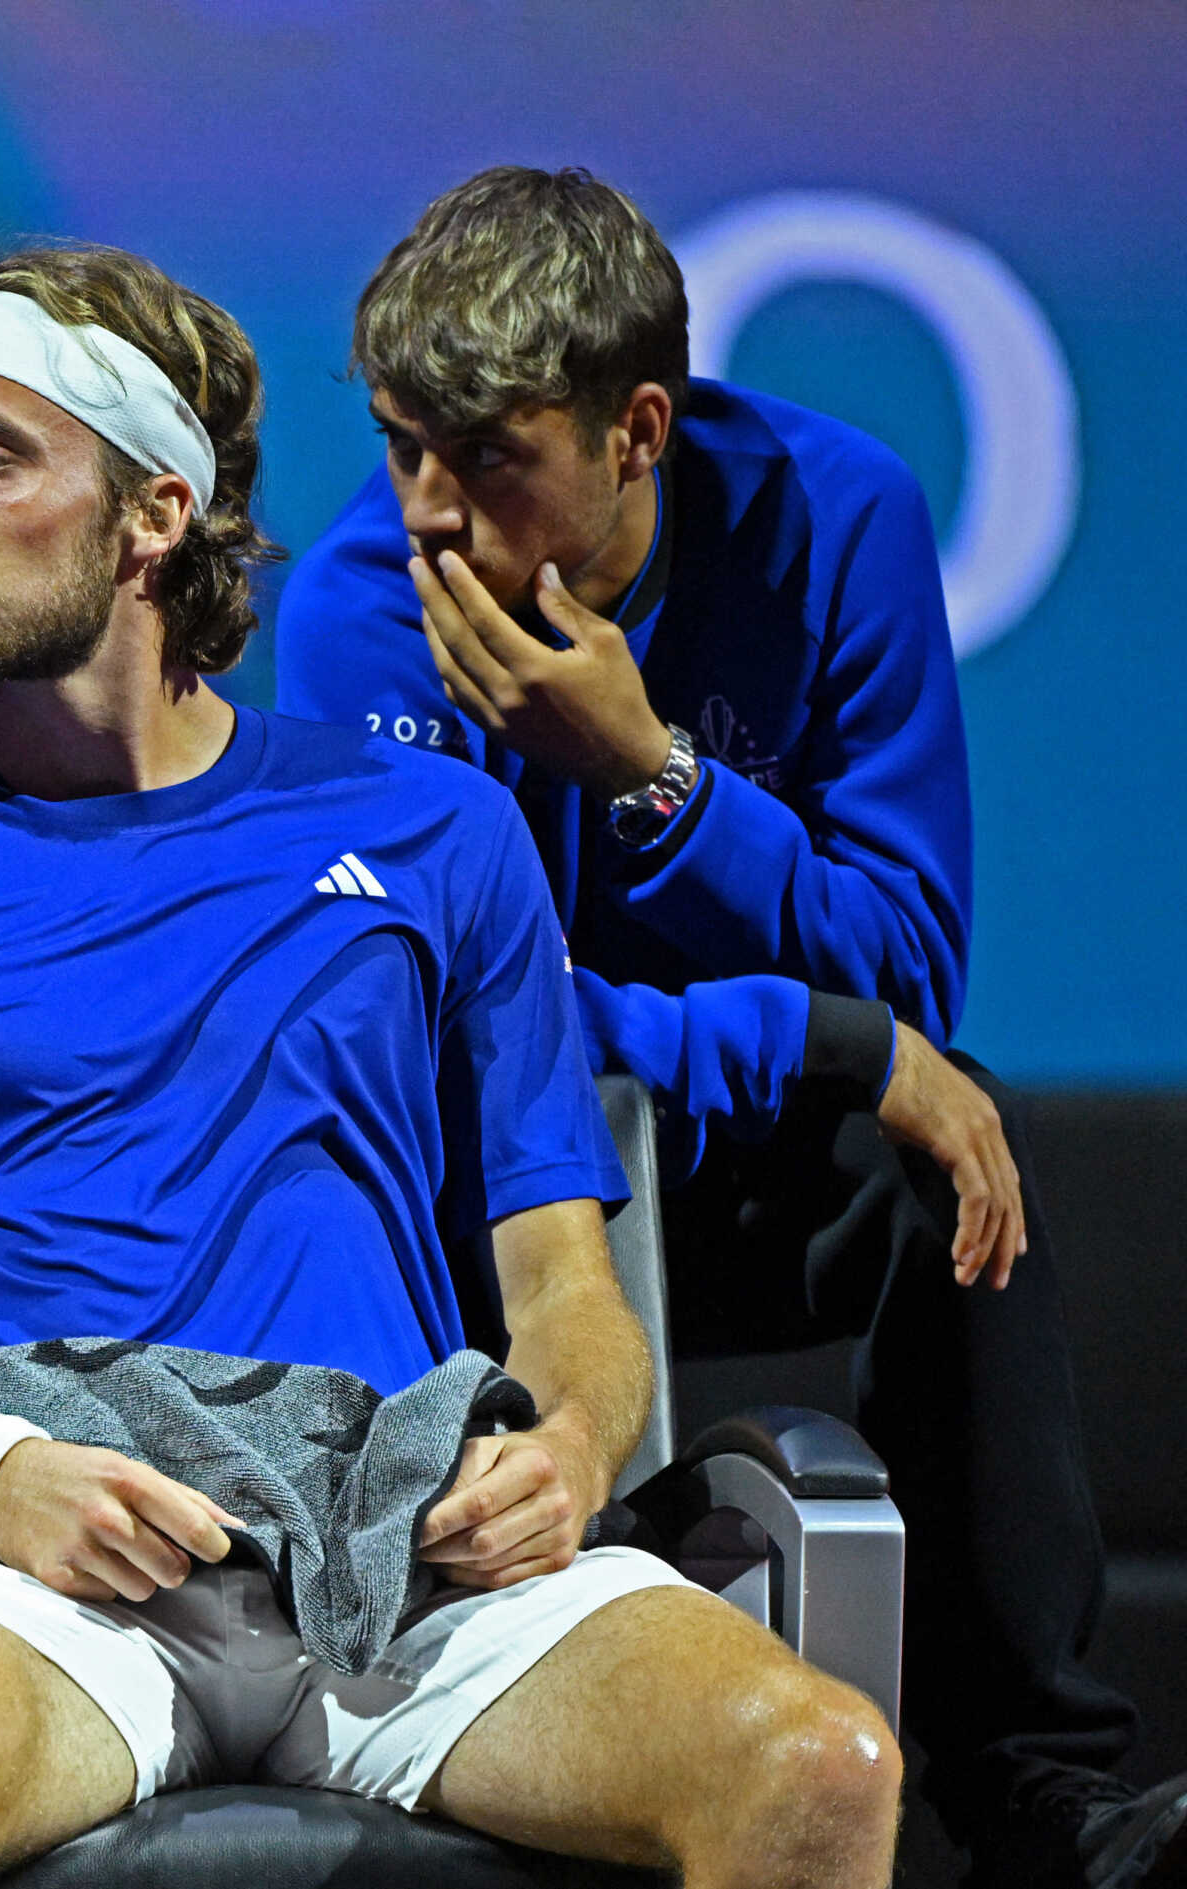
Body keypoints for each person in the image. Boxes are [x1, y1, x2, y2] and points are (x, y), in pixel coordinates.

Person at [0, 244, 902, 1889]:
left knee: (819, 1766)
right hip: (19, 1572)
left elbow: (567, 1289)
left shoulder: (438, 832)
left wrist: (574, 1451)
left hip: (401, 1561)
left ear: (156, 512)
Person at [275, 165, 1185, 1888]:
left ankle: (1038, 1798)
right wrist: (801, 1032)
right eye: (399, 445)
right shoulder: (360, 609)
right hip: (486, 1190)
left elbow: (907, 972)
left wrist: (654, 777)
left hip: (722, 1166)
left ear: (635, 428)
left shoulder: (840, 515)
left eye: (481, 458)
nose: (425, 515)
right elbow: (437, 1026)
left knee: (949, 1153)